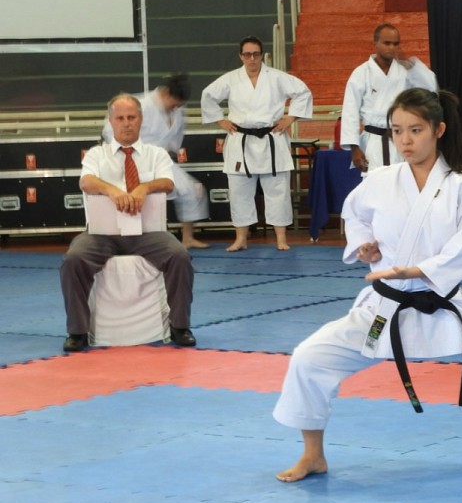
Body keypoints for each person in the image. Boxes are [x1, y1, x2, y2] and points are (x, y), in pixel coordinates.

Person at [273, 88, 462, 483]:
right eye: (397, 131)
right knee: (308, 358)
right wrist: (364, 245)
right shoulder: (380, 180)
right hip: (384, 312)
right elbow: (354, 215)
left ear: (438, 130)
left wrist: (415, 271)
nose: (405, 141)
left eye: (415, 130)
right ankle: (313, 456)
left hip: (444, 307)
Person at [60, 94, 196, 352]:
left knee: (179, 256)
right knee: (73, 259)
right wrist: (113, 191)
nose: (126, 123)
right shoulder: (96, 155)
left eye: (131, 117)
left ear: (141, 119)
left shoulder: (156, 154)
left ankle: (180, 326)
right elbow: (86, 182)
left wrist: (143, 188)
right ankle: (77, 331)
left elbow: (168, 183)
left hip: (148, 232)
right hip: (101, 234)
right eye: (120, 118)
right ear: (111, 121)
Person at [201, 36, 313, 251]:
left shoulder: (277, 77)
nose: (252, 58)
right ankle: (241, 239)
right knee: (239, 191)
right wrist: (220, 120)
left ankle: (281, 238)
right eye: (247, 54)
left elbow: (303, 92)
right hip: (241, 139)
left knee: (278, 190)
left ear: (262, 55)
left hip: (272, 137)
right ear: (240, 56)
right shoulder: (231, 79)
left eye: (255, 54)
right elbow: (208, 96)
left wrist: (291, 118)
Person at [102, 73, 210, 249]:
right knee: (139, 196)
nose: (176, 108)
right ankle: (131, 240)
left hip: (161, 159)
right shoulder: (140, 104)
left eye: (179, 105)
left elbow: (175, 140)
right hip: (132, 158)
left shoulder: (178, 110)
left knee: (192, 190)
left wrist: (169, 153)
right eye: (174, 104)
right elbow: (109, 131)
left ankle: (188, 238)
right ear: (166, 93)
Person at [341, 24, 438, 173]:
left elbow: (431, 87)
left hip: (401, 138)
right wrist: (355, 148)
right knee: (375, 182)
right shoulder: (361, 73)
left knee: (404, 180)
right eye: (387, 43)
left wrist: (411, 65)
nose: (392, 48)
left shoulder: (405, 71)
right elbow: (350, 112)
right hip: (373, 140)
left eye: (395, 44)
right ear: (376, 43)